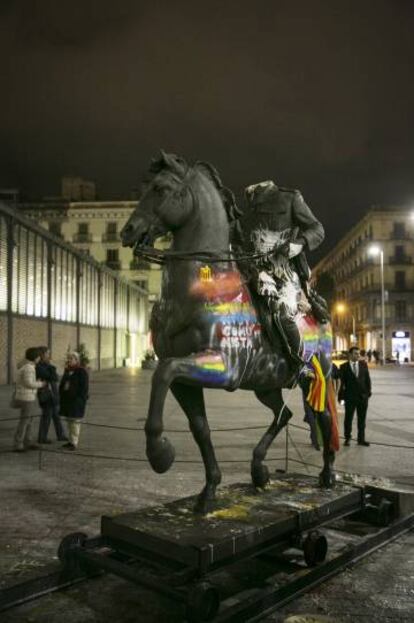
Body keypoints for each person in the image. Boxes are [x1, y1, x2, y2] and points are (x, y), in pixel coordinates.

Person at [234, 180, 328, 370]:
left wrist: (299, 243)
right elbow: (236, 248)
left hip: (283, 272)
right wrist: (252, 270)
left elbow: (317, 229)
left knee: (282, 312)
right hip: (252, 273)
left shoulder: (290, 198)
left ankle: (301, 365)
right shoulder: (244, 215)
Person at [13, 347, 45, 452]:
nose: (40, 358)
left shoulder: (26, 366)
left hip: (26, 396)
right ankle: (19, 444)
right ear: (35, 357)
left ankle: (28, 441)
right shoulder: (29, 368)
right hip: (26, 397)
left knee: (28, 420)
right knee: (25, 420)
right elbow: (29, 383)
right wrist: (41, 384)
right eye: (39, 357)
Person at [338, 346, 372, 447]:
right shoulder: (343, 367)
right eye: (356, 354)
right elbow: (342, 384)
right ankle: (347, 438)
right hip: (350, 398)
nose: (358, 355)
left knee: (362, 420)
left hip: (362, 398)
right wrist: (341, 397)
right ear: (350, 355)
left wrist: (368, 393)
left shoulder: (363, 364)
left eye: (359, 354)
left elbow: (367, 380)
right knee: (348, 419)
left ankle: (361, 439)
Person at [36, 346, 67, 444]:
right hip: (46, 395)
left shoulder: (47, 365)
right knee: (46, 416)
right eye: (47, 353)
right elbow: (52, 376)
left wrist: (51, 369)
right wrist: (52, 368)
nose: (49, 356)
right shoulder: (39, 367)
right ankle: (42, 438)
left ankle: (60, 435)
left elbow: (56, 377)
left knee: (57, 416)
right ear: (42, 355)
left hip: (53, 394)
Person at [59, 352, 89, 451]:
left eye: (71, 358)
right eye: (68, 358)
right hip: (67, 401)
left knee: (75, 422)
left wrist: (81, 399)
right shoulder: (67, 371)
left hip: (76, 401)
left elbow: (84, 388)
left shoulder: (81, 371)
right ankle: (70, 441)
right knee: (69, 422)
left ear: (77, 360)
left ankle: (74, 443)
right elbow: (63, 384)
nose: (69, 360)